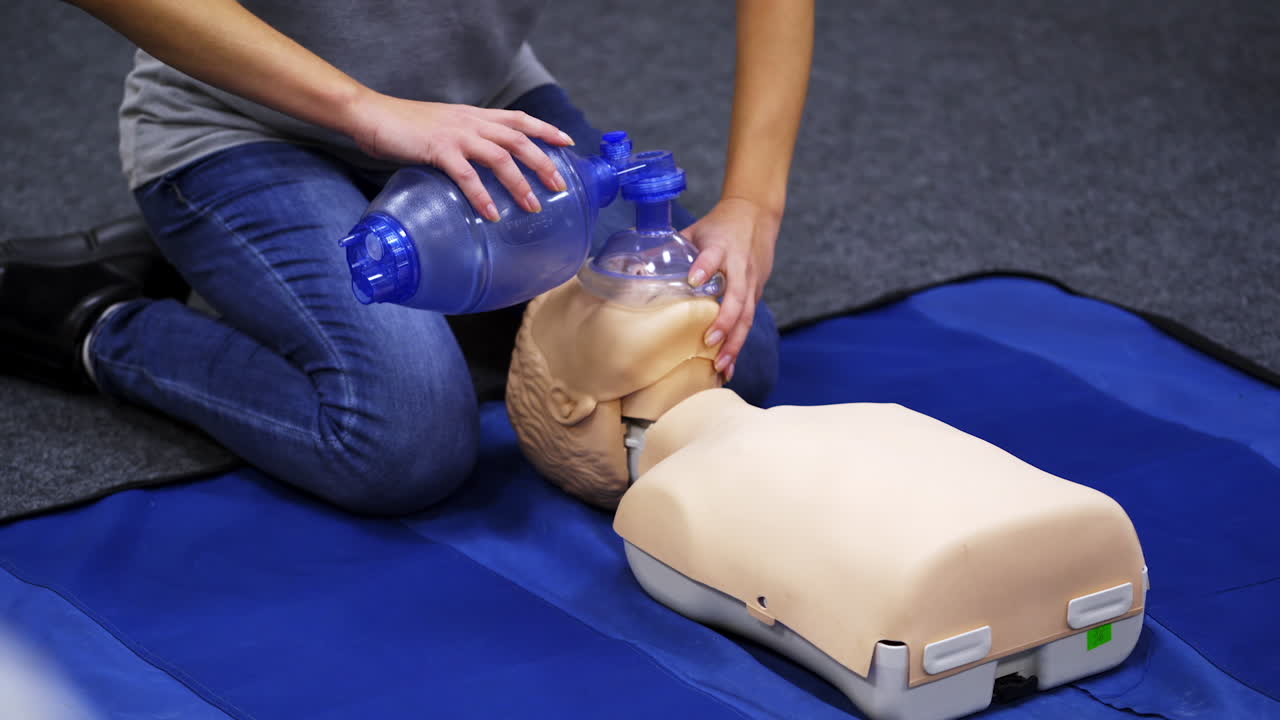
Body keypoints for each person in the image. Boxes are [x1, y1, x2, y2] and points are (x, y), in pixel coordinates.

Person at [1, 0, 813, 514]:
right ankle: (100, 321)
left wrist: (753, 206)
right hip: (239, 126)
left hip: (478, 115)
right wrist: (363, 110)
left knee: (726, 350)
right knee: (402, 442)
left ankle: (268, 265)